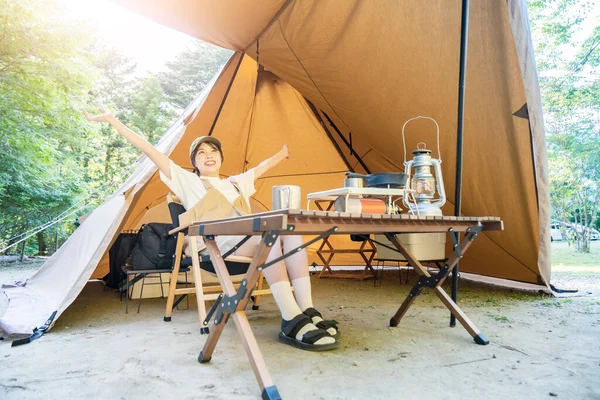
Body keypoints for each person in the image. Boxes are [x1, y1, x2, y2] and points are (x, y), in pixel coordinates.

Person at [84, 109, 340, 351]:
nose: (208, 155)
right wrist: (113, 121)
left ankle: (307, 310)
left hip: (248, 242)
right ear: (194, 162)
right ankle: (290, 319)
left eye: (213, 150)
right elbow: (150, 150)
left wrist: (282, 154)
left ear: (221, 157)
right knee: (270, 238)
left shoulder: (236, 183)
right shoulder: (188, 181)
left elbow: (262, 168)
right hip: (215, 246)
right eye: (201, 152)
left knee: (291, 233)